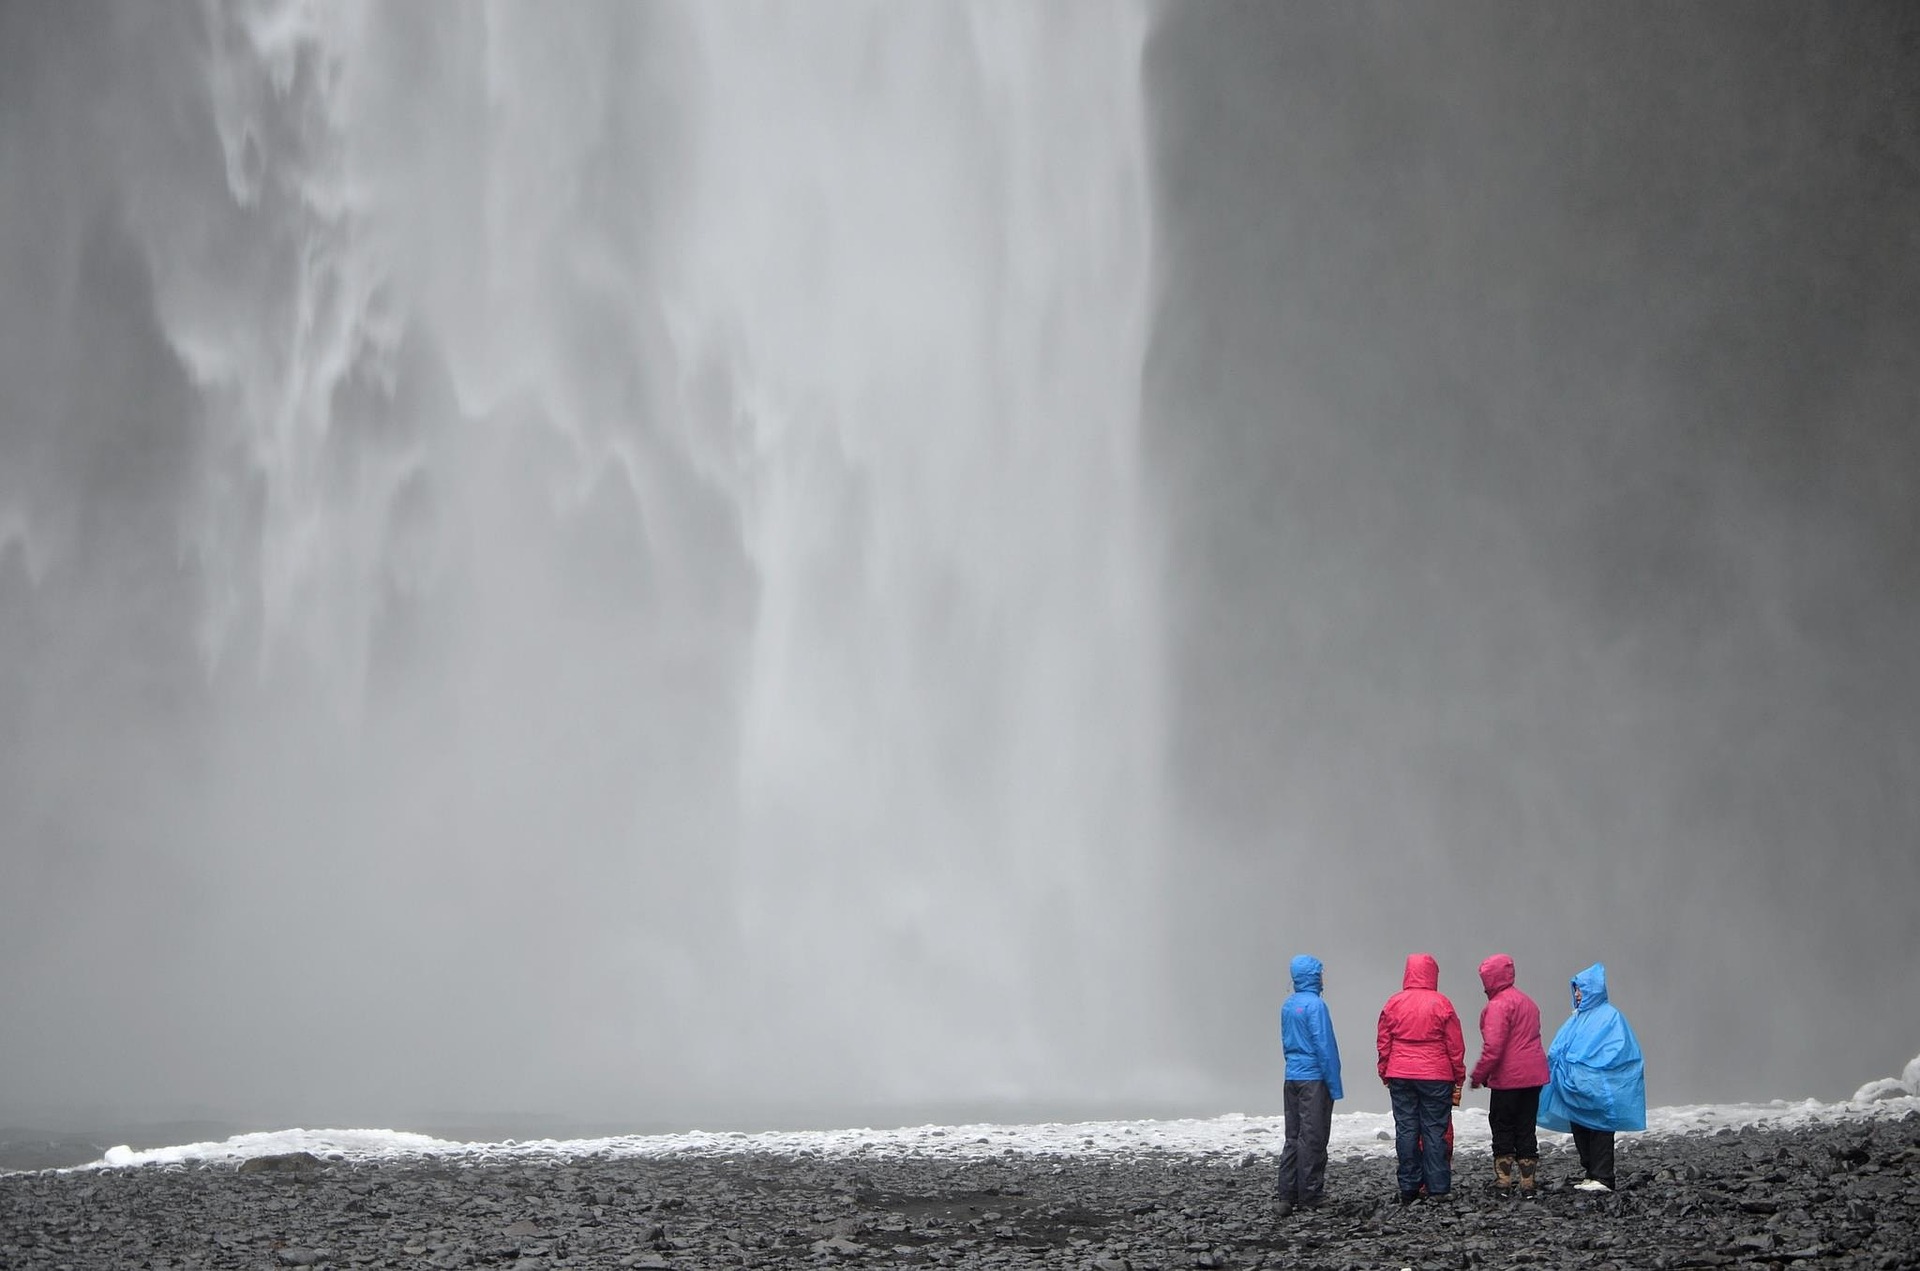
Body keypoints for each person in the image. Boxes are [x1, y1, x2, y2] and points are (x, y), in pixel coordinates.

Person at [1538, 962, 1645, 1193]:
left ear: (1593, 989)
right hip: (1575, 1088)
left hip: (1598, 1089)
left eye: (1581, 989)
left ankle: (1604, 1177)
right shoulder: (1577, 1018)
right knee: (1581, 1129)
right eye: (1575, 989)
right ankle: (1591, 1173)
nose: (1577, 994)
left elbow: (1619, 1051)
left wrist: (1584, 1066)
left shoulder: (1610, 1017)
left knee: (1599, 1130)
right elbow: (1560, 1048)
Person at [1377, 953, 1465, 1202]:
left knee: (1406, 1128)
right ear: (1433, 974)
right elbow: (1455, 1045)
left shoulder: (1393, 1003)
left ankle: (1409, 1186)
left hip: (1400, 1073)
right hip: (1436, 1075)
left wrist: (1384, 1070)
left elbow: (1384, 1042)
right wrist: (1458, 1075)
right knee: (1435, 1129)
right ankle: (1437, 1187)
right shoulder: (1442, 1003)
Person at [1468, 953, 1550, 1195]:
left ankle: (1504, 1182)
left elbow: (1494, 1047)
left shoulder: (1497, 1006)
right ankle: (1528, 1182)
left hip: (1508, 1078)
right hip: (1533, 1075)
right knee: (1526, 1125)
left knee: (1502, 1124)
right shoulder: (1528, 1003)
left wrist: (1479, 1075)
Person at [1276, 954, 1343, 1216]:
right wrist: (1334, 1086)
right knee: (1313, 1137)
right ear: (1314, 976)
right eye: (1321, 973)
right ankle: (1311, 1195)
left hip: (1292, 1076)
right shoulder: (1316, 1006)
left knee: (1293, 1136)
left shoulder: (1288, 1005)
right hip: (1313, 1078)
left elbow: (1287, 1043)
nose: (1323, 977)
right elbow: (1325, 1048)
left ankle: (1287, 1194)